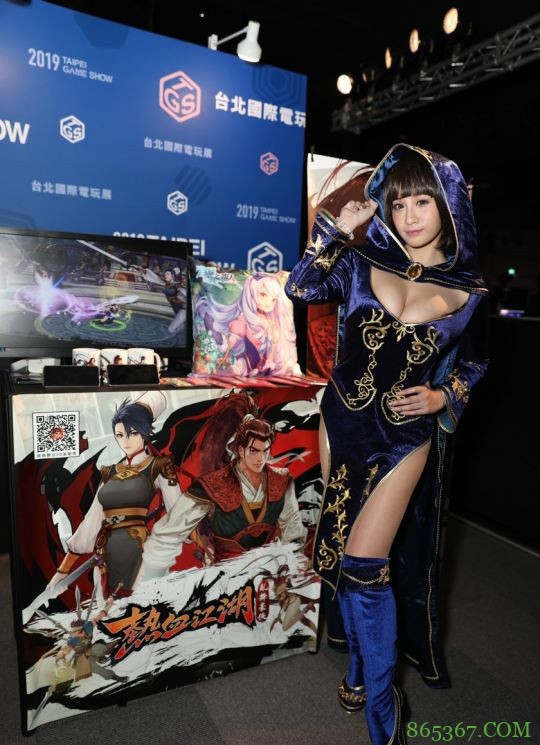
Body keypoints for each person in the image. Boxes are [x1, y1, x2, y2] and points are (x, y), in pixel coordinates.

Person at [285, 143, 489, 744]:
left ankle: (383, 715)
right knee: (342, 553)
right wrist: (334, 229)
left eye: (422, 201)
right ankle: (356, 665)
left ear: (448, 206)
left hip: (403, 438)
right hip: (341, 425)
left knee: (366, 564)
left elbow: (476, 365)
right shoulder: (359, 260)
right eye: (398, 204)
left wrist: (443, 395)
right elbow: (301, 289)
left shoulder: (471, 291)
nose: (410, 216)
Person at [136, 411, 307, 580]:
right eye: (254, 451)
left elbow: (293, 530)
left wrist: (291, 566)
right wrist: (149, 580)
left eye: (265, 451)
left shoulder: (281, 480)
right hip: (228, 581)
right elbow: (168, 533)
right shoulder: (212, 485)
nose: (261, 458)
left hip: (273, 576)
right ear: (241, 450)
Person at [47, 391, 182, 601]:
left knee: (138, 610)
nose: (126, 441)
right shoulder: (109, 473)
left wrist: (201, 541)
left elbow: (180, 512)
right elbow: (91, 522)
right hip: (105, 556)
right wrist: (62, 571)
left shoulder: (159, 466)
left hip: (141, 553)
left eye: (133, 433)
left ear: (144, 432)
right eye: (119, 435)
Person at [194, 272, 301, 376]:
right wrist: (223, 346)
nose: (269, 303)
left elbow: (273, 346)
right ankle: (214, 335)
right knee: (238, 366)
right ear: (252, 291)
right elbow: (232, 342)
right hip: (247, 361)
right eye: (263, 294)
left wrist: (269, 360)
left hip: (263, 364)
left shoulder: (272, 323)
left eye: (274, 300)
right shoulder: (244, 319)